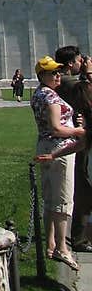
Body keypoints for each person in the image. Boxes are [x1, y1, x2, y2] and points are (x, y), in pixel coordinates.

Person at [31, 56, 86, 270]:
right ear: (42, 75)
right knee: (63, 201)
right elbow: (56, 128)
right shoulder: (51, 97)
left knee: (50, 198)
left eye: (58, 72)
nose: (57, 75)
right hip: (60, 150)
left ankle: (51, 244)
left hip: (44, 146)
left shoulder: (38, 94)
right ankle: (63, 248)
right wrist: (78, 131)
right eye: (52, 72)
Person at [54, 46, 92, 252]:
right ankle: (79, 238)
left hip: (69, 141)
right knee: (82, 188)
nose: (81, 63)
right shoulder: (71, 83)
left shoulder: (60, 82)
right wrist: (89, 73)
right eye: (79, 60)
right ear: (71, 63)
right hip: (78, 142)